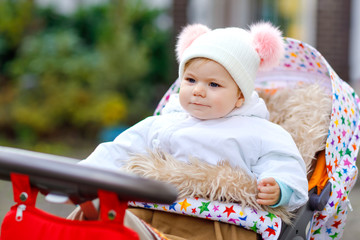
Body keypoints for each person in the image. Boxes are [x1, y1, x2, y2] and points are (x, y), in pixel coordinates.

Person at [80, 22, 308, 211]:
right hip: (156, 210)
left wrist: (280, 188)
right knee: (93, 216)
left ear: (240, 96)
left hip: (221, 222)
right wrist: (83, 175)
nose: (198, 90)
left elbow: (284, 162)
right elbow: (122, 149)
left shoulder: (260, 132)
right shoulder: (164, 123)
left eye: (213, 84)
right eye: (190, 80)